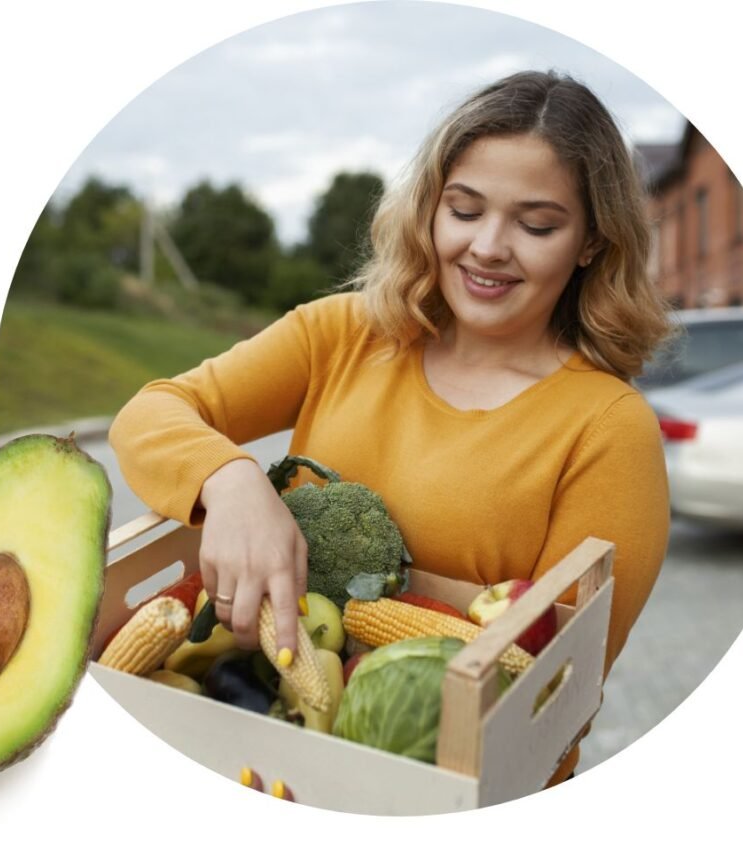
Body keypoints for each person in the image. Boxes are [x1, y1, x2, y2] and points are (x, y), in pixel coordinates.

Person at [110, 70, 673, 785]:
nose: (489, 247)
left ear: (592, 241)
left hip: (455, 787)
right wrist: (231, 481)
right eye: (464, 210)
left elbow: (555, 690)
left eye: (536, 225)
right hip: (259, 751)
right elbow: (149, 413)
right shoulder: (342, 335)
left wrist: (360, 603)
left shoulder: (607, 428)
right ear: (429, 209)